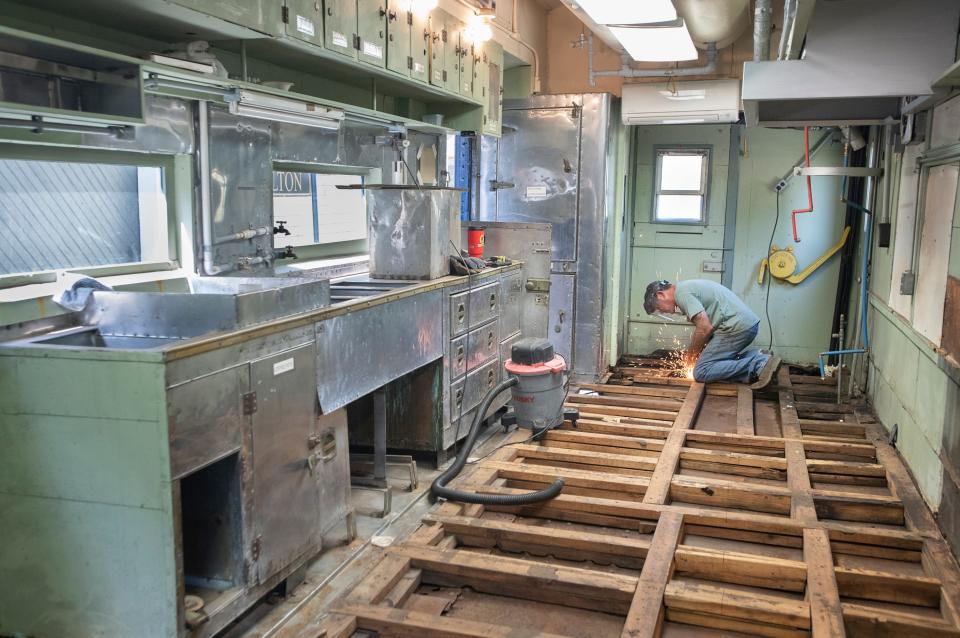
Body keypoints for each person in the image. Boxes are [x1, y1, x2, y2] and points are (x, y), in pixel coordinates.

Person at [643, 279, 781, 389]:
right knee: (714, 360)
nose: (663, 312)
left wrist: (690, 357)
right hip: (745, 325)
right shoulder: (686, 288)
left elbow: (704, 328)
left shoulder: (681, 294)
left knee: (701, 372)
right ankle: (758, 355)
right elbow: (707, 329)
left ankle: (759, 364)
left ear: (661, 295)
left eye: (659, 308)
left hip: (735, 328)